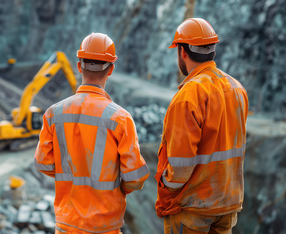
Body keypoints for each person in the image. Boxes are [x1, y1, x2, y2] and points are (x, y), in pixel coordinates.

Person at [34, 33, 149, 233]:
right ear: (111, 69)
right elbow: (135, 178)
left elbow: (43, 162)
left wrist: (69, 176)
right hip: (104, 225)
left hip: (67, 224)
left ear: (79, 66)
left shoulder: (53, 114)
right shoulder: (120, 119)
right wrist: (117, 189)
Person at [156, 18, 249, 233]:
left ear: (183, 52)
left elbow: (179, 167)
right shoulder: (237, 88)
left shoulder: (188, 96)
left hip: (193, 208)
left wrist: (165, 188)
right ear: (212, 50)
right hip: (228, 204)